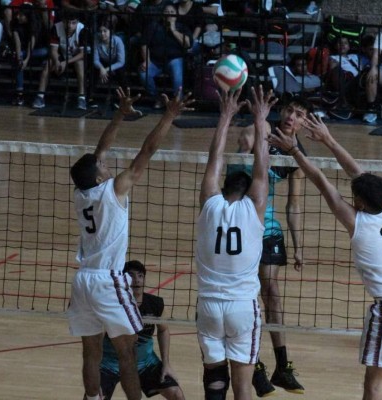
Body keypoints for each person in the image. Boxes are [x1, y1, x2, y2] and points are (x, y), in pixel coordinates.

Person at [268, 113, 382, 400]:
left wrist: (293, 150)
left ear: (361, 203)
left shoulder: (357, 223)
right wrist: (328, 139)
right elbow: (360, 174)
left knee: (374, 386)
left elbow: (319, 180)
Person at [67, 86, 193, 400]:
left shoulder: (82, 194)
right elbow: (145, 153)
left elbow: (98, 154)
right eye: (103, 168)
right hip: (108, 280)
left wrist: (119, 115)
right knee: (128, 351)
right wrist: (169, 115)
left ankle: (93, 398)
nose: (107, 165)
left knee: (91, 351)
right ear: (99, 177)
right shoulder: (113, 190)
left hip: (82, 280)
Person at [229, 95, 309, 397]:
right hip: (243, 223)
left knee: (272, 291)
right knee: (249, 294)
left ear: (303, 123)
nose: (292, 116)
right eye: (290, 110)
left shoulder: (297, 156)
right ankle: (255, 365)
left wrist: (299, 245)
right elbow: (241, 151)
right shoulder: (256, 133)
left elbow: (294, 205)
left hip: (269, 226)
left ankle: (282, 366)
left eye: (299, 114)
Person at [195, 85, 273, 400]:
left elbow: (214, 159)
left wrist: (225, 117)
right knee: (242, 389)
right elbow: (262, 168)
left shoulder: (209, 205)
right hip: (242, 307)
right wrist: (260, 120)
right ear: (248, 191)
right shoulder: (254, 209)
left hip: (208, 306)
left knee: (214, 381)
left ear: (224, 186)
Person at [100, 260, 185, 400]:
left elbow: (163, 330)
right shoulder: (111, 305)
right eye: (132, 276)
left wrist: (166, 364)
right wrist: (95, 371)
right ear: (123, 279)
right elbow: (98, 338)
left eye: (140, 276)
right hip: (110, 363)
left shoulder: (155, 304)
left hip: (145, 363)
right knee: (95, 397)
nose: (137, 280)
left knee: (177, 394)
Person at [139, 4, 193, 109]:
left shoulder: (181, 27)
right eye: (167, 12)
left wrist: (173, 30)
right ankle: (158, 98)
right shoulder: (154, 26)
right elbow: (144, 44)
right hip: (155, 61)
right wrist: (146, 60)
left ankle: (178, 102)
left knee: (177, 75)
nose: (169, 15)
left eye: (172, 12)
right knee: (143, 73)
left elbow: (187, 44)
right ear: (162, 15)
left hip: (174, 59)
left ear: (176, 16)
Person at [32, 12, 87, 110]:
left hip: (75, 56)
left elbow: (83, 54)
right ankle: (40, 97)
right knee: (47, 66)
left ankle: (82, 98)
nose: (70, 26)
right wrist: (57, 61)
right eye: (67, 23)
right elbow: (53, 50)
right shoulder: (56, 27)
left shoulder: (82, 29)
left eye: (73, 23)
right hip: (61, 54)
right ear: (63, 21)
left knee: (80, 64)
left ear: (77, 22)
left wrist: (66, 62)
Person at [10, 3, 49, 106]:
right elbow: (17, 41)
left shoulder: (35, 23)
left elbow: (31, 43)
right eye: (18, 14)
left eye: (22, 15)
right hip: (23, 49)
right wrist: (20, 57)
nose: (18, 16)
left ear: (27, 16)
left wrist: (27, 59)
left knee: (43, 52)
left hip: (38, 48)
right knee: (18, 59)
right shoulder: (15, 22)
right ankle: (20, 93)